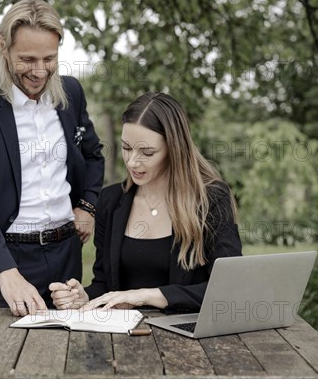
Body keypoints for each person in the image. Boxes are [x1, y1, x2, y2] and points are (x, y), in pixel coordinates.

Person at [0, 0, 104, 332]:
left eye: (50, 59)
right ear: (4, 47)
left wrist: (87, 206)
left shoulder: (71, 93)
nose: (40, 71)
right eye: (27, 59)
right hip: (8, 260)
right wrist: (5, 271)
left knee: (72, 357)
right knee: (7, 362)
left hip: (67, 257)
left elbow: (93, 155)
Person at [49, 92, 241, 312]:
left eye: (147, 152)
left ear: (174, 149)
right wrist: (83, 297)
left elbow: (228, 287)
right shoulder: (111, 201)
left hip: (188, 337)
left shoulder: (210, 199)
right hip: (122, 338)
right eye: (126, 148)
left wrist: (146, 296)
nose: (132, 162)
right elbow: (105, 285)